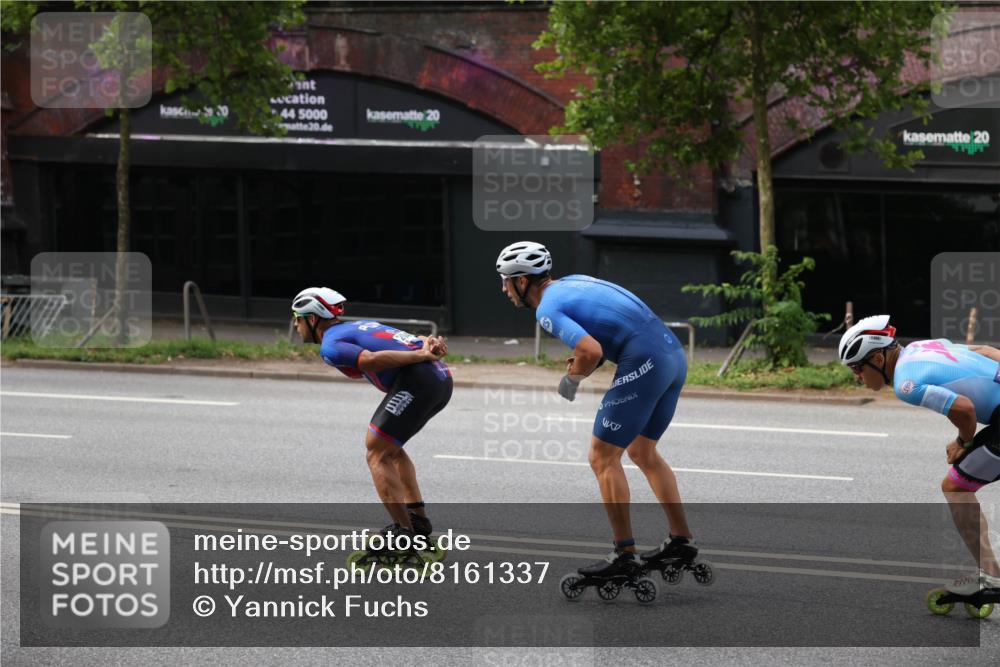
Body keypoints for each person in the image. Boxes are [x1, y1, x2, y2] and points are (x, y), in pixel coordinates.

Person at [495, 241, 697, 577]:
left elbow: (589, 350)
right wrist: (587, 360)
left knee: (602, 457)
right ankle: (681, 539)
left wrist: (571, 380)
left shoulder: (547, 309)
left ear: (522, 281)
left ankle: (624, 556)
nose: (503, 288)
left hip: (645, 360)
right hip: (673, 356)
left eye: (505, 280)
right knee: (643, 452)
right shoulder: (571, 282)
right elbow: (603, 337)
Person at [838, 314, 1000, 595]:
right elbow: (986, 352)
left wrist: (963, 441)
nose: (857, 377)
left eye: (857, 369)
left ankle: (992, 577)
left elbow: (963, 409)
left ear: (877, 360)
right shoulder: (922, 346)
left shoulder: (905, 383)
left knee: (956, 487)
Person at [292, 287, 453, 542]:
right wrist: (428, 343)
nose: (295, 324)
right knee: (391, 448)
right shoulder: (361, 325)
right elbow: (415, 338)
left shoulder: (331, 344)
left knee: (376, 451)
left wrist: (421, 353)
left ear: (312, 319)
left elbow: (370, 359)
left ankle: (403, 531)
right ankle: (417, 519)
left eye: (297, 317)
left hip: (420, 381)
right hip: (441, 379)